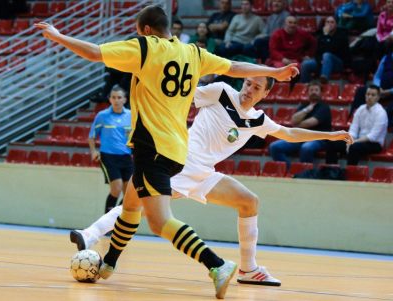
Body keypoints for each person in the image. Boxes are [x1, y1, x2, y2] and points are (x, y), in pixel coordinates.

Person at [35, 4, 299, 299]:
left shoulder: (147, 47)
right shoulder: (194, 52)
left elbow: (95, 53)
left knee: (160, 221)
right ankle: (108, 263)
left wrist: (58, 36)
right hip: (176, 148)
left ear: (146, 30)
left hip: (153, 146)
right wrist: (274, 70)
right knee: (132, 205)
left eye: (139, 32)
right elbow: (235, 68)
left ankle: (217, 264)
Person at [70, 76, 353, 286]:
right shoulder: (221, 92)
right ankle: (91, 234)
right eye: (247, 82)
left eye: (256, 87)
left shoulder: (257, 120)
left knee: (248, 202)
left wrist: (330, 136)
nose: (248, 89)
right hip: (180, 162)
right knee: (139, 207)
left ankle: (248, 269)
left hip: (205, 174)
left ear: (265, 93)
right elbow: (183, 97)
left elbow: (289, 133)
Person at [87, 85, 132, 213]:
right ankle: (107, 223)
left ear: (124, 99)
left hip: (126, 157)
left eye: (119, 97)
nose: (116, 100)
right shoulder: (103, 116)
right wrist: (93, 151)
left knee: (130, 194)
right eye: (113, 97)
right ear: (109, 99)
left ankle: (116, 218)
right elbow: (91, 136)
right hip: (108, 156)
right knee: (116, 189)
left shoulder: (131, 115)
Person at [269, 81, 332, 168]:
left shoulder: (324, 107)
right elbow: (293, 120)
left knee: (306, 148)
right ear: (308, 92)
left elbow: (311, 123)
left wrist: (297, 124)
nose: (314, 92)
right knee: (274, 147)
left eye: (316, 90)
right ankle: (290, 170)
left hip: (318, 138)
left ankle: (305, 174)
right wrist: (307, 110)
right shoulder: (304, 106)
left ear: (321, 93)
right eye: (311, 90)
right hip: (300, 137)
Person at [326, 85, 388, 165]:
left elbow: (372, 136)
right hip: (358, 141)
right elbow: (353, 129)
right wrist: (350, 140)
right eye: (368, 94)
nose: (369, 97)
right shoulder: (360, 109)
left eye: (373, 95)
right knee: (332, 143)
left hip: (374, 144)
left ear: (378, 97)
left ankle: (349, 174)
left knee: (354, 147)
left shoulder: (381, 113)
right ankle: (330, 172)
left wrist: (354, 142)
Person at [300, 16, 350, 83]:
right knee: (305, 64)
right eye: (327, 22)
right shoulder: (321, 35)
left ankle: (324, 79)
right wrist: (321, 60)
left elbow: (333, 50)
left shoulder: (342, 35)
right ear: (325, 24)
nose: (329, 24)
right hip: (322, 62)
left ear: (336, 24)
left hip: (338, 63)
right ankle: (304, 86)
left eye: (332, 22)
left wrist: (326, 35)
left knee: (327, 55)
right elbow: (317, 52)